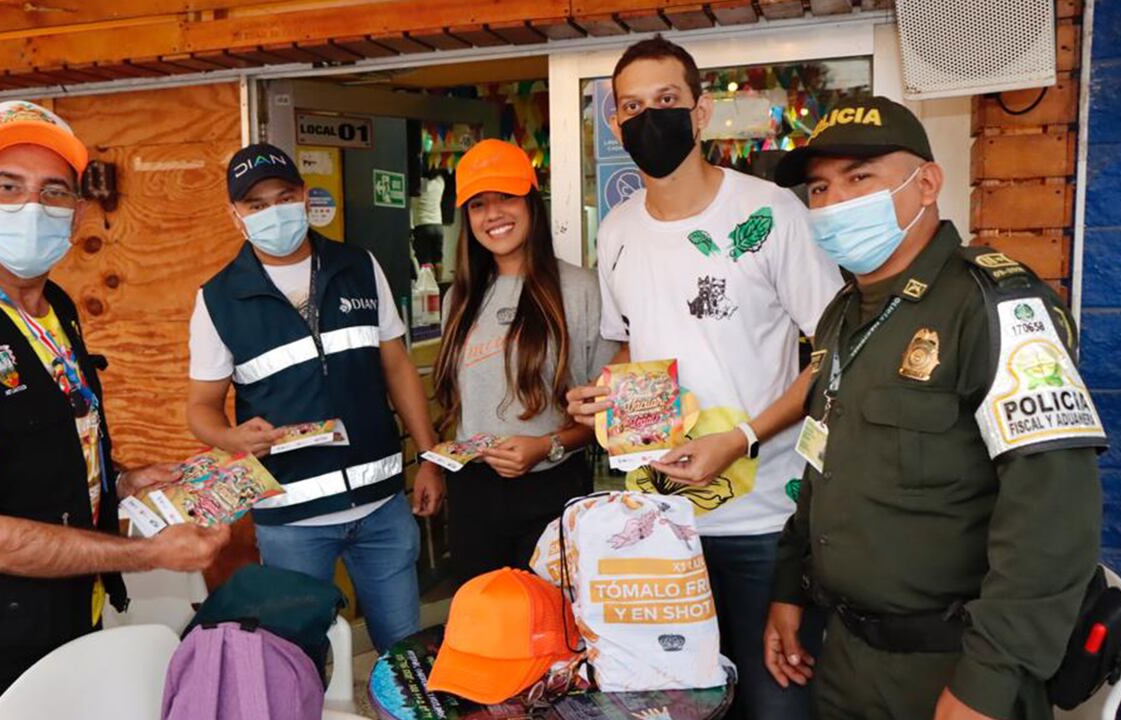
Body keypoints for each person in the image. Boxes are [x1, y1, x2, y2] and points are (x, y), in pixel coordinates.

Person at [0, 100, 230, 720]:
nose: (33, 208)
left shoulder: (54, 308)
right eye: (8, 188)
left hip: (59, 619)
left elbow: (36, 441)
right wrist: (150, 554)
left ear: (74, 211)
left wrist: (119, 481)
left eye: (54, 192)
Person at [764, 96, 1106, 720]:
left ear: (927, 183)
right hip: (845, 657)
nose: (834, 202)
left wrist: (987, 682)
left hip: (956, 670)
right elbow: (820, 462)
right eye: (818, 188)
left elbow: (1054, 516)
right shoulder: (842, 316)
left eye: (859, 178)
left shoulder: (997, 307)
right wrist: (789, 589)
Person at [565, 36, 841, 720]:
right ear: (613, 121)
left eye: (666, 101)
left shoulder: (771, 215)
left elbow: (837, 356)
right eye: (632, 106)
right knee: (674, 708)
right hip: (659, 526)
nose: (648, 117)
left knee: (777, 707)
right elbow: (635, 351)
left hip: (765, 525)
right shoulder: (619, 228)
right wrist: (603, 394)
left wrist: (742, 437)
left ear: (700, 113)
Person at [187, 142, 445, 653]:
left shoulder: (358, 266)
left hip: (382, 509)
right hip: (292, 520)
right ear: (234, 214)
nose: (273, 212)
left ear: (304, 197)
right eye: (256, 204)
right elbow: (200, 409)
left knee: (405, 653)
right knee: (298, 660)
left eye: (283, 196)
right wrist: (231, 437)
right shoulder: (216, 299)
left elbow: (396, 367)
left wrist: (430, 458)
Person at [432, 139, 617, 581]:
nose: (493, 214)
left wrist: (546, 447)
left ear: (532, 202)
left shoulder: (582, 289)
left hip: (552, 486)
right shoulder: (457, 298)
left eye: (506, 198)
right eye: (478, 204)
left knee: (550, 629)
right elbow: (458, 408)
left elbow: (609, 414)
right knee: (484, 625)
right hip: (472, 493)